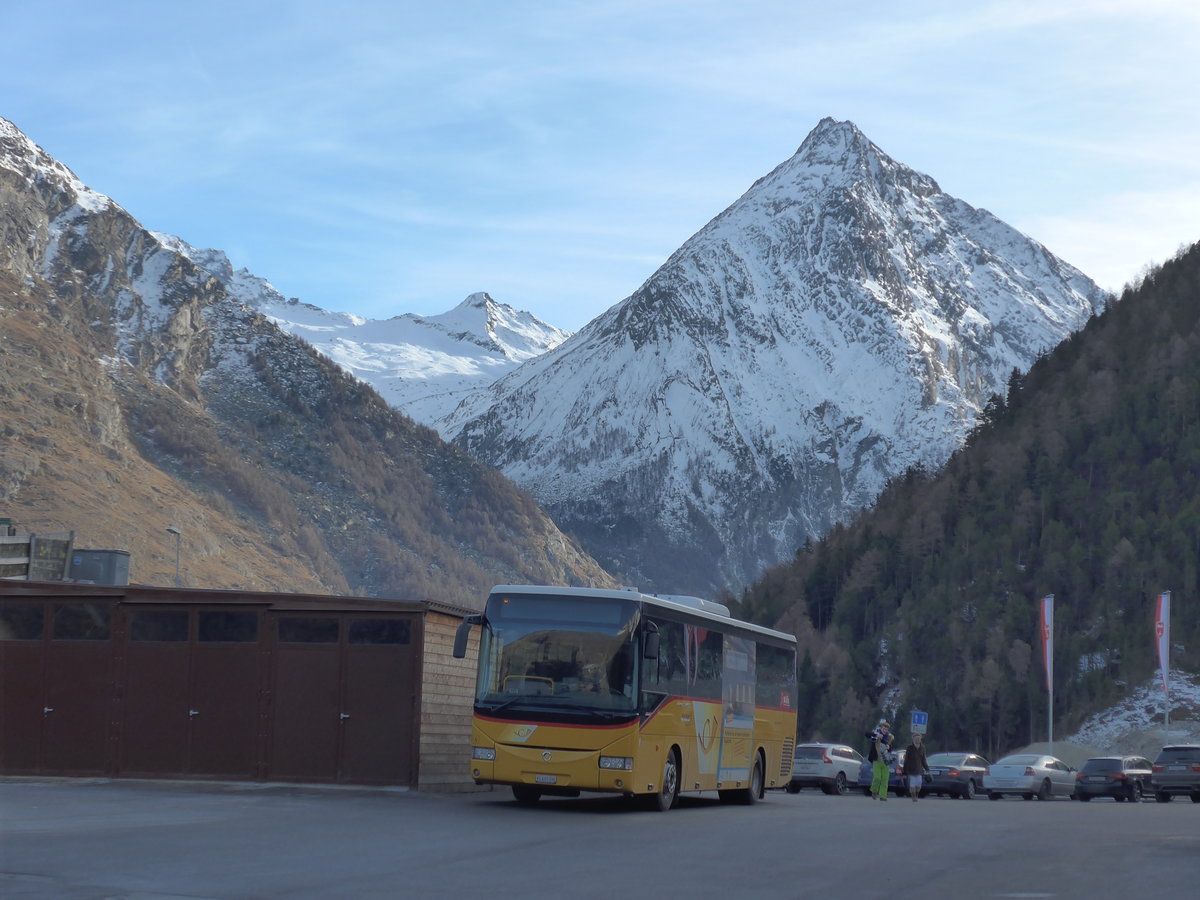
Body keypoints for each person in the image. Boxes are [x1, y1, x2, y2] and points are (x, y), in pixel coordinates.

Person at [864, 719, 895, 801]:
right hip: (876, 759)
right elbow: (866, 734)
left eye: (886, 729)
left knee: (885, 778)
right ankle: (874, 791)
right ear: (881, 728)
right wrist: (876, 735)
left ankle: (882, 796)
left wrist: (889, 747)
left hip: (885, 760)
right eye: (884, 728)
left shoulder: (889, 737)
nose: (885, 730)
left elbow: (890, 749)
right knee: (877, 777)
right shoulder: (876, 734)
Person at [903, 733, 930, 802]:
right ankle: (913, 797)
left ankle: (916, 795)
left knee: (918, 785)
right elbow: (906, 760)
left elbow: (923, 759)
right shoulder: (910, 747)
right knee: (912, 784)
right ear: (913, 739)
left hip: (919, 769)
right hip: (911, 770)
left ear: (921, 739)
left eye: (919, 738)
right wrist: (904, 772)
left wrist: (927, 768)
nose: (918, 740)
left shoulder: (922, 747)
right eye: (916, 739)